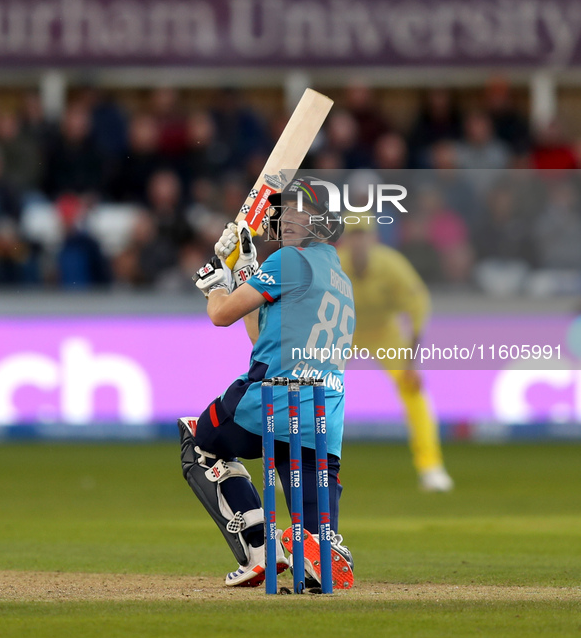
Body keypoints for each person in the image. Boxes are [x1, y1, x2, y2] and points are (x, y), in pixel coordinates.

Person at [178, 179, 355, 590]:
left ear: (323, 222)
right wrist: (244, 269)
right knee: (314, 545)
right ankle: (316, 550)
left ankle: (259, 551)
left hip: (269, 400)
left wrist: (216, 285)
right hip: (324, 416)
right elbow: (263, 335)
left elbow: (221, 315)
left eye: (300, 211)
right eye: (285, 210)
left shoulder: (289, 261)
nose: (288, 217)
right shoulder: (339, 278)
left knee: (199, 441)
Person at [338, 219, 454, 492]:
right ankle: (297, 466)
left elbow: (418, 307)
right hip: (343, 333)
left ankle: (431, 467)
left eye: (362, 235)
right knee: (313, 391)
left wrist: (411, 364)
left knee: (413, 391)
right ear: (344, 240)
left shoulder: (391, 265)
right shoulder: (333, 264)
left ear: (373, 238)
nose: (358, 242)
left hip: (385, 333)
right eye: (353, 236)